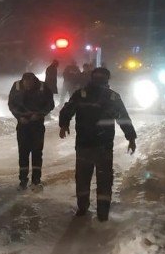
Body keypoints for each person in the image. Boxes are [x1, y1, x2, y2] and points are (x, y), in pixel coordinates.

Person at [58, 67, 136, 220]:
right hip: (98, 145)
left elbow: (66, 111)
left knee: (86, 178)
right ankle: (99, 211)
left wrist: (131, 137)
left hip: (90, 145)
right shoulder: (109, 96)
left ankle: (89, 209)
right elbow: (124, 119)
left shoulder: (85, 94)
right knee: (101, 179)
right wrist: (131, 138)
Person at [8, 72, 56, 190]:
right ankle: (23, 180)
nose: (27, 86)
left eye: (29, 83)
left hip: (37, 125)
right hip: (22, 124)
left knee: (37, 152)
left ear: (33, 81)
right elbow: (11, 104)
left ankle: (36, 180)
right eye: (26, 83)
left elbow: (50, 104)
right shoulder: (17, 86)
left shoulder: (42, 87)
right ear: (23, 81)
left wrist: (40, 114)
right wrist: (19, 117)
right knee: (23, 152)